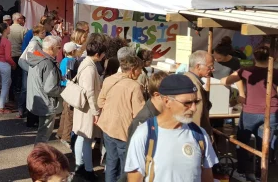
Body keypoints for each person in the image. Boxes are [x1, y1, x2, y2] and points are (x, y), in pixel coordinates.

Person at [124, 74, 218, 182]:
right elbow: (134, 179)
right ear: (167, 101)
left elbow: (207, 178)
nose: (193, 108)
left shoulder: (199, 134)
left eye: (196, 102)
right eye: (187, 103)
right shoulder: (144, 134)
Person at [221, 45, 278, 181]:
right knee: (265, 144)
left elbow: (225, 81)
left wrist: (240, 90)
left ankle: (241, 170)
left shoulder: (246, 71)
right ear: (273, 58)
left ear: (254, 57)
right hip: (272, 111)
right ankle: (260, 173)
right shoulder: (275, 72)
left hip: (250, 112)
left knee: (243, 142)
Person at [97, 54, 146, 182]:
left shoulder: (109, 80)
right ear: (133, 69)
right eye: (139, 69)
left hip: (107, 126)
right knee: (126, 165)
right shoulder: (134, 87)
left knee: (111, 161)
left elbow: (100, 103)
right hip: (124, 131)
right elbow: (139, 114)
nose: (141, 72)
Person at [72, 33, 107, 180]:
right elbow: (90, 92)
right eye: (103, 54)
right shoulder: (90, 68)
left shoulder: (86, 63)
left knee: (82, 137)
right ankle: (87, 169)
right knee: (87, 139)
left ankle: (80, 165)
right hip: (87, 108)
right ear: (98, 54)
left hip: (82, 107)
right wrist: (96, 112)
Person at [27, 36, 63, 144]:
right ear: (52, 48)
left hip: (38, 100)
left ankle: (39, 156)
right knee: (44, 134)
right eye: (58, 47)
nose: (59, 49)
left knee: (42, 131)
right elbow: (50, 88)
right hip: (47, 103)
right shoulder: (48, 63)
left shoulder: (36, 57)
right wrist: (65, 90)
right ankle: (39, 158)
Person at [18, 24, 48, 122]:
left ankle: (31, 118)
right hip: (30, 68)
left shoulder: (38, 41)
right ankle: (30, 118)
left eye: (44, 32)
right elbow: (30, 57)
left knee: (32, 92)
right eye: (42, 32)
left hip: (31, 68)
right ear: (36, 33)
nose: (44, 34)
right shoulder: (34, 43)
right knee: (30, 91)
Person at [184, 50, 213, 135]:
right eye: (210, 66)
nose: (212, 69)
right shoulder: (194, 84)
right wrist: (199, 137)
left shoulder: (187, 78)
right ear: (198, 66)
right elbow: (197, 114)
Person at [56, 42, 80, 144]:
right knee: (70, 113)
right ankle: (66, 136)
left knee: (65, 111)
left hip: (63, 87)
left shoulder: (63, 60)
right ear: (73, 51)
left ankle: (60, 132)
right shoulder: (73, 61)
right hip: (70, 87)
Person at [0, 23, 17, 114]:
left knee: (6, 83)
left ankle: (4, 102)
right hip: (4, 64)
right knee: (5, 86)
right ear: (5, 30)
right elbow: (7, 57)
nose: (10, 28)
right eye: (8, 27)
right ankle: (1, 107)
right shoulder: (7, 42)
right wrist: (13, 64)